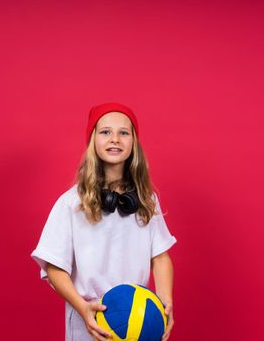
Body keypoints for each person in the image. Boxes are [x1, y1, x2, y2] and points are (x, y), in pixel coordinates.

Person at [31, 103, 177, 341]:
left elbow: (160, 256)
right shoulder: (71, 203)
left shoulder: (146, 200)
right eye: (106, 132)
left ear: (134, 143)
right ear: (93, 141)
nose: (115, 139)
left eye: (124, 132)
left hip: (136, 321)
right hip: (89, 318)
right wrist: (82, 307)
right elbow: (54, 267)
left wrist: (165, 302)